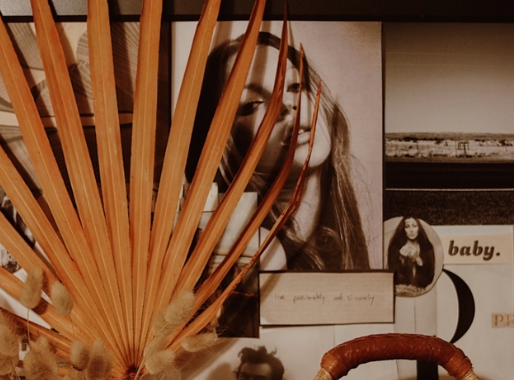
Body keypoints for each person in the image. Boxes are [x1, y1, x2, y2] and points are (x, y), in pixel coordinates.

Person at [187, 31, 371, 275]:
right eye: (253, 103)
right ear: (226, 144)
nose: (286, 106)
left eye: (296, 87)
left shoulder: (349, 233)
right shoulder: (244, 256)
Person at [386, 216, 436, 295]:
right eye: (407, 227)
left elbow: (429, 279)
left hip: (420, 294)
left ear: (419, 228)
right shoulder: (395, 247)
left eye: (414, 226)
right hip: (400, 292)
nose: (411, 230)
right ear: (403, 229)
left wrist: (418, 259)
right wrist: (402, 261)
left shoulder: (427, 248)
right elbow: (393, 278)